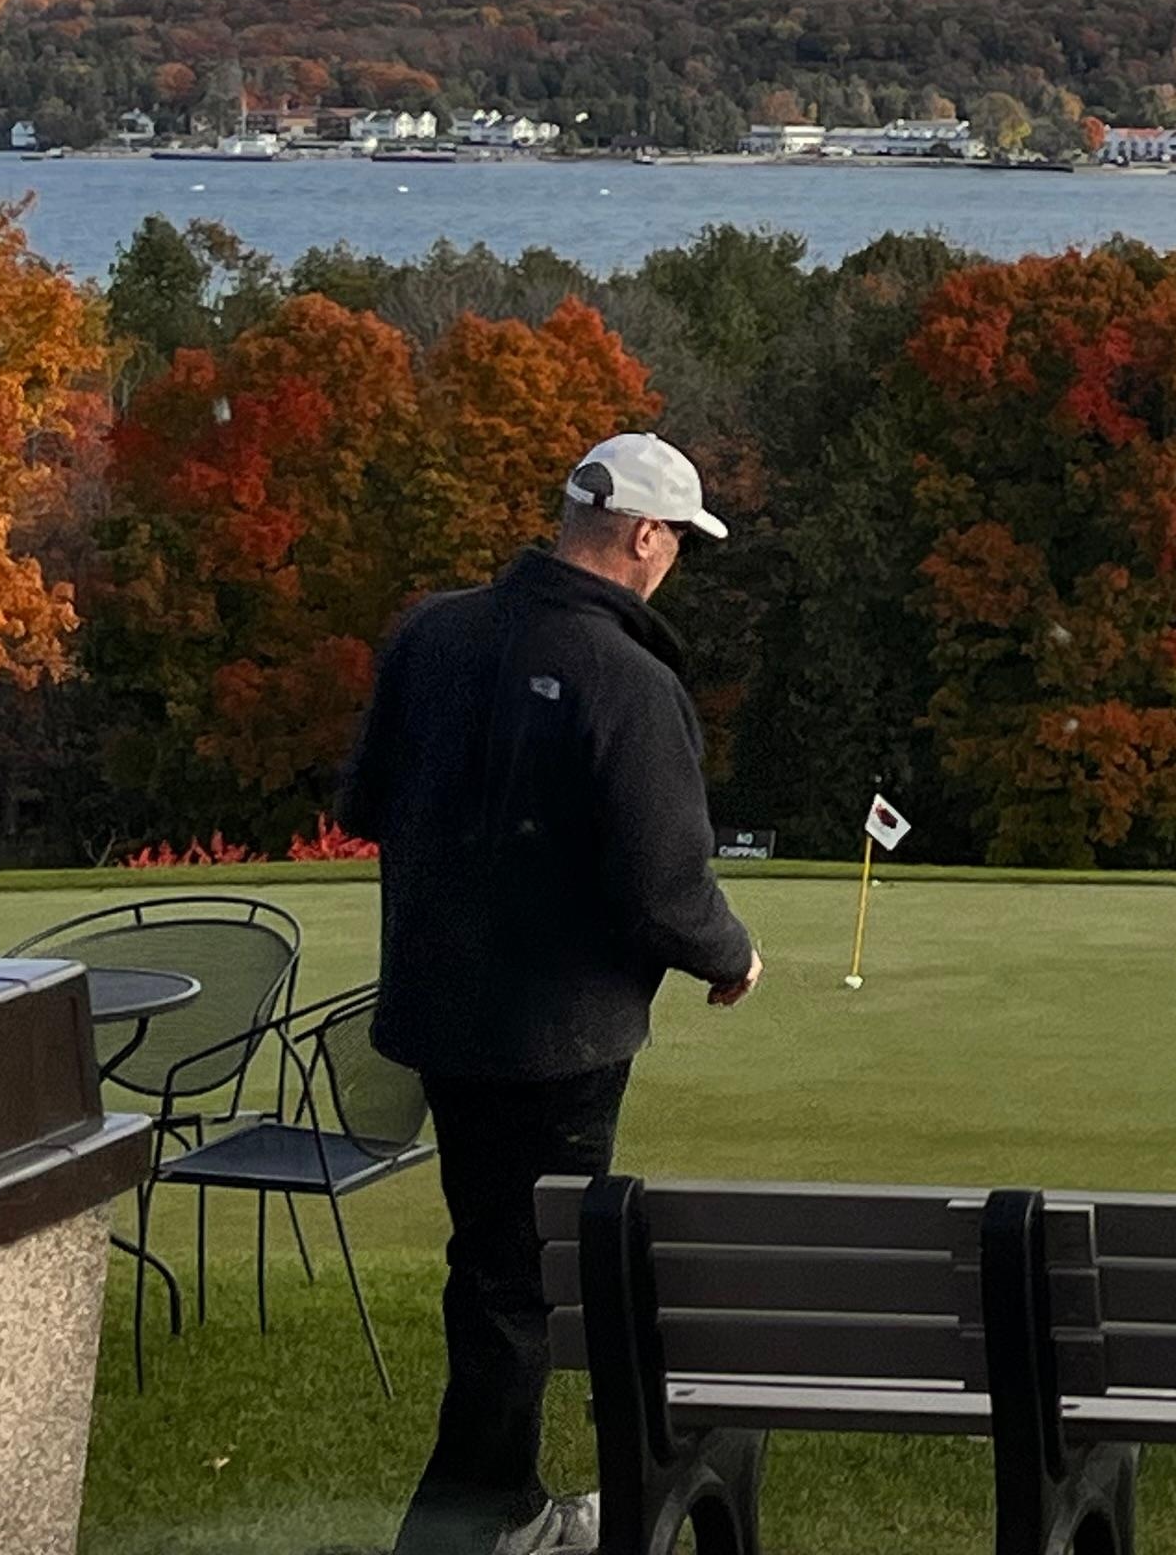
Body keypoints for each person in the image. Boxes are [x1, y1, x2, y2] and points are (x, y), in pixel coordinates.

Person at [340, 431, 765, 1555]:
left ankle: (489, 1509)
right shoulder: (629, 677)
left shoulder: (430, 631)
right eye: (676, 538)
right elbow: (666, 887)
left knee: (492, 1268)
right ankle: (468, 1528)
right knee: (523, 1283)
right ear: (642, 535)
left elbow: (368, 803)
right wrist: (733, 956)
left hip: (438, 1017)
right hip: (558, 1041)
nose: (673, 558)